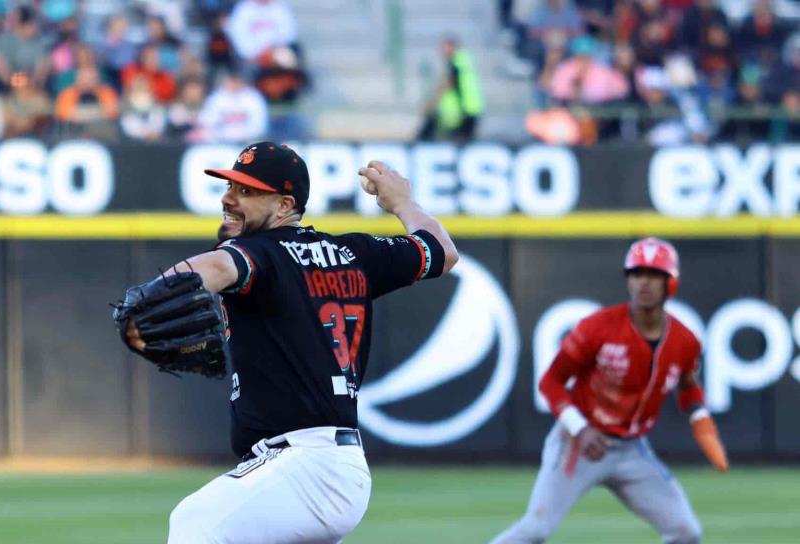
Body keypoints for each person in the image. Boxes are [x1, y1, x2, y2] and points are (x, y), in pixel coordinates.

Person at [122, 142, 458, 543]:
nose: (228, 198)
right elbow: (441, 251)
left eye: (246, 192)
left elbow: (218, 265)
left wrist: (153, 293)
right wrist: (404, 204)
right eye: (231, 186)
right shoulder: (354, 252)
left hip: (304, 466)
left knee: (194, 523)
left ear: (284, 206)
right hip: (324, 466)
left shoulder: (258, 252)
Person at [491, 237, 728, 544]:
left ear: (671, 283)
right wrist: (581, 428)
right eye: (637, 273)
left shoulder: (685, 340)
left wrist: (701, 421)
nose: (644, 282)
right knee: (535, 530)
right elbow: (550, 383)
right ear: (627, 279)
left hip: (631, 449)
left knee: (686, 532)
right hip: (579, 443)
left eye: (654, 274)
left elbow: (687, 386)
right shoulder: (598, 327)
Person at [417, 36, 484, 141]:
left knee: (458, 142)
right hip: (471, 109)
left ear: (453, 47)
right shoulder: (465, 60)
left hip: (464, 111)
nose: (442, 51)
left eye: (445, 47)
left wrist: (431, 104)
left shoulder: (457, 62)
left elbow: (447, 83)